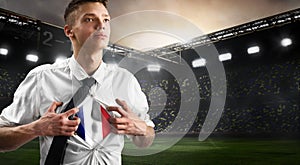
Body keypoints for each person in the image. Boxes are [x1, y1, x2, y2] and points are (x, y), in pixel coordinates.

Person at [0, 0, 155, 164]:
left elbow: (145, 141)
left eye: (106, 19)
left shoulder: (126, 81)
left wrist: (142, 129)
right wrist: (36, 128)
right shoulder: (42, 78)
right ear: (69, 31)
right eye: (89, 19)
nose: (101, 25)